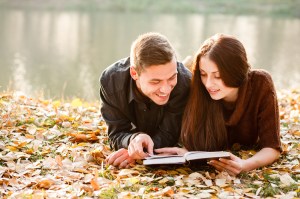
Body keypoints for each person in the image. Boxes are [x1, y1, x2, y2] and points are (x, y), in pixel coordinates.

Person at [155, 33, 281, 176]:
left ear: (235, 71)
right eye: (203, 74)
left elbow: (272, 147)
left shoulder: (261, 83)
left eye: (218, 76)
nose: (208, 84)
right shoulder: (200, 90)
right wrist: (188, 153)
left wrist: (246, 164)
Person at [99, 32, 192, 168]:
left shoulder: (185, 82)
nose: (166, 89)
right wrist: (133, 140)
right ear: (134, 73)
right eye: (156, 81)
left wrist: (137, 152)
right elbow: (116, 133)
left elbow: (169, 133)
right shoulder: (111, 82)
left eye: (172, 77)